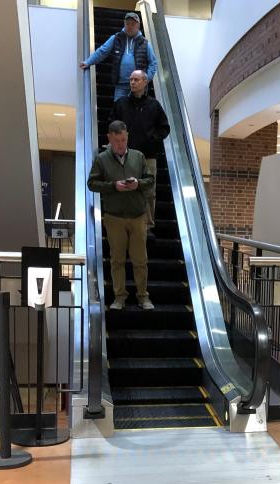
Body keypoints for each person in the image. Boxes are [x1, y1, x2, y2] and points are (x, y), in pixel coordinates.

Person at [87, 120, 155, 311]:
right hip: (114, 217)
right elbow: (91, 183)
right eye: (117, 141)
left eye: (124, 140)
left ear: (127, 138)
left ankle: (143, 297)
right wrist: (113, 186)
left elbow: (150, 180)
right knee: (117, 260)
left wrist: (138, 184)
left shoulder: (138, 156)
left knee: (140, 260)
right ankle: (119, 297)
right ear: (109, 139)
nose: (121, 145)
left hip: (138, 216)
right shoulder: (102, 159)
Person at [112, 69, 169, 233]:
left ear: (145, 82)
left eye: (136, 80)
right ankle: (124, 224)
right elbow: (111, 125)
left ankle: (147, 225)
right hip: (125, 156)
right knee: (124, 189)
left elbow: (164, 128)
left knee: (148, 191)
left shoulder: (154, 105)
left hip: (147, 156)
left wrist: (153, 140)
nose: (132, 82)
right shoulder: (121, 103)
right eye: (130, 80)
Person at [80, 11, 158, 106]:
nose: (129, 26)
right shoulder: (116, 38)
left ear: (138, 26)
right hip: (120, 85)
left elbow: (153, 63)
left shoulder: (145, 43)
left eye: (132, 24)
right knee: (119, 109)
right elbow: (102, 51)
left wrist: (146, 79)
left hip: (139, 86)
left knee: (137, 111)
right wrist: (88, 62)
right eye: (127, 24)